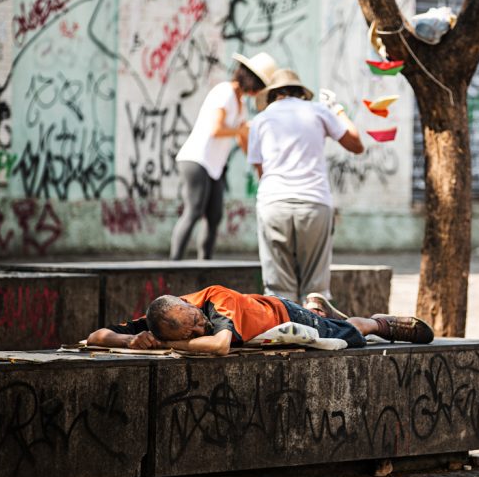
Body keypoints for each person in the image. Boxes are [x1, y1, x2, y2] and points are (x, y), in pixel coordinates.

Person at [247, 68, 364, 303]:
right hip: (314, 203)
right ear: (300, 93)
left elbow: (260, 171)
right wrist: (337, 109)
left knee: (278, 289)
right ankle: (315, 333)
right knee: (315, 289)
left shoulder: (260, 120)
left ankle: (284, 334)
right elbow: (356, 144)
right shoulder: (318, 110)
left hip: (273, 204)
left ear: (272, 95)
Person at [86, 285, 433, 355]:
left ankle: (378, 322)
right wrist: (130, 341)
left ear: (189, 305)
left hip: (283, 315)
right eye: (188, 329)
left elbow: (220, 346)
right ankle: (317, 307)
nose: (198, 327)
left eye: (194, 319)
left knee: (350, 336)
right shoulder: (160, 318)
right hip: (262, 329)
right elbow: (95, 337)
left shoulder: (215, 300)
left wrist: (167, 344)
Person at [170, 52, 278, 260]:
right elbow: (216, 129)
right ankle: (173, 264)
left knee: (214, 215)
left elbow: (243, 138)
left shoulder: (239, 103)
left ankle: (205, 264)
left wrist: (259, 167)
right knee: (193, 211)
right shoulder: (225, 93)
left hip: (214, 166)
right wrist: (240, 130)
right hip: (196, 160)